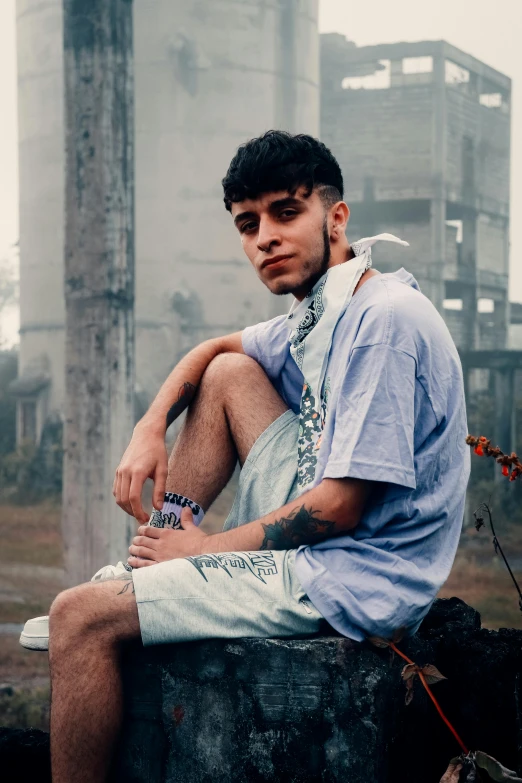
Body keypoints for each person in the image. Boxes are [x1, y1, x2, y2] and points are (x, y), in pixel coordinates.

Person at [22, 131, 470, 782]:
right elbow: (214, 347)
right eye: (248, 223)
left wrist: (207, 552)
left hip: (352, 576)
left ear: (335, 216)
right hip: (327, 532)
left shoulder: (386, 321)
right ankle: (158, 555)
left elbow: (343, 507)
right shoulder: (325, 312)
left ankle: (153, 578)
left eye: (286, 212)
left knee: (77, 617)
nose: (265, 237)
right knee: (231, 371)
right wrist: (150, 425)